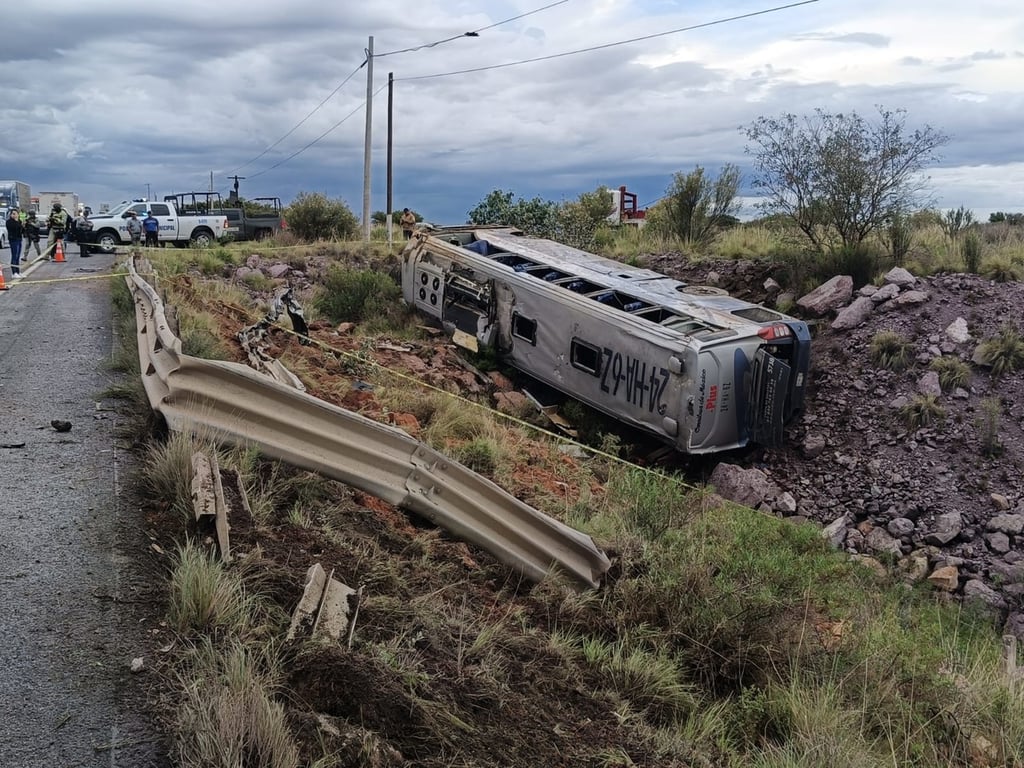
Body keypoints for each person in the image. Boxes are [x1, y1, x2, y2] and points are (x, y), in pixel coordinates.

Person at [6, 208, 24, 278]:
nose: (14, 215)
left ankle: (18, 271)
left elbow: (21, 230)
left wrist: (22, 225)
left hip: (19, 239)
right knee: (14, 255)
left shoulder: (19, 221)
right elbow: (14, 228)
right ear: (10, 214)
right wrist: (17, 222)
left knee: (18, 256)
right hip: (13, 239)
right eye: (13, 214)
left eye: (16, 214)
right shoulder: (9, 222)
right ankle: (14, 272)